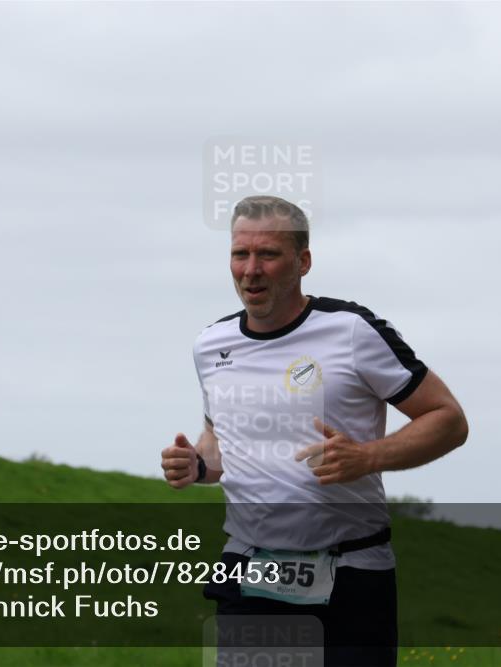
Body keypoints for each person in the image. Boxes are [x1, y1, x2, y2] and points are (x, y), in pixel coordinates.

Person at [161, 195, 468, 666]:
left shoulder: (351, 331)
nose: (251, 269)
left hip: (351, 571)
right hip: (252, 570)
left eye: (268, 254)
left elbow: (448, 419)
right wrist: (197, 464)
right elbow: (218, 444)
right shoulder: (211, 345)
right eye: (240, 254)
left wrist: (369, 457)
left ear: (303, 261)